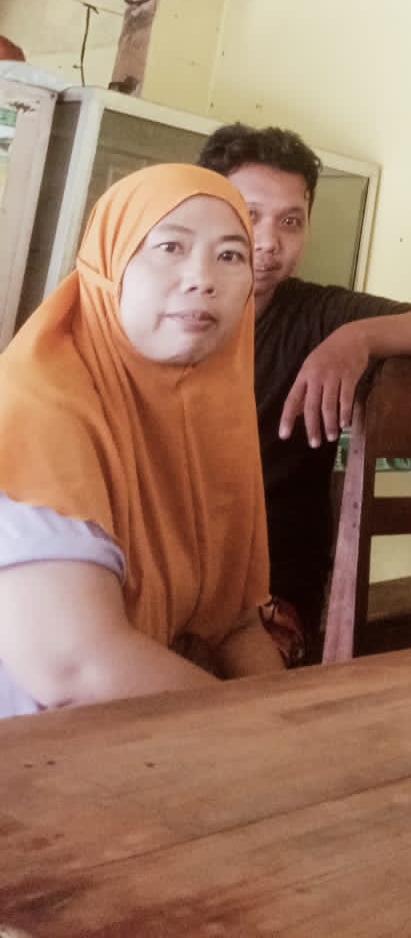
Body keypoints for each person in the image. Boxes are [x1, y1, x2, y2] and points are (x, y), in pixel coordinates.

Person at [197, 123, 411, 657]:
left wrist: (357, 339)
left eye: (291, 221)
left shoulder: (318, 315)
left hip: (270, 594)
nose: (268, 241)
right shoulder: (162, 314)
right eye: (249, 213)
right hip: (163, 576)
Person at [0, 164, 284, 717]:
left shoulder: (209, 419)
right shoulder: (34, 407)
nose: (202, 278)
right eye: (170, 247)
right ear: (110, 264)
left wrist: (299, 723)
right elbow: (75, 668)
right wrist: (267, 731)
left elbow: (237, 624)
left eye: (231, 255)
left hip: (139, 737)